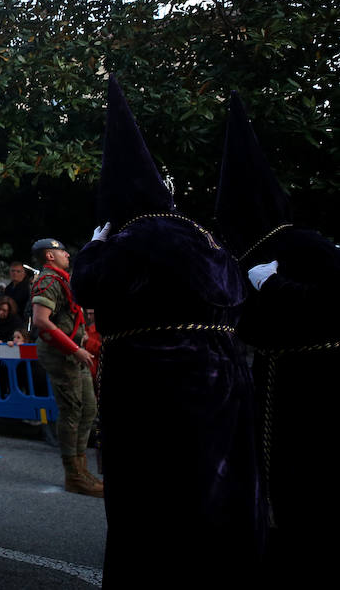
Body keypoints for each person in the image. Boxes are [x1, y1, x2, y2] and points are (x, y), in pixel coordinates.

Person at [73, 77, 262, 582]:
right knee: (217, 493)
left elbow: (87, 285)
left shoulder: (132, 237)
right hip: (223, 383)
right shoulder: (203, 235)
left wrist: (93, 246)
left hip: (154, 387)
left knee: (154, 502)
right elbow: (237, 294)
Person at [216, 90, 333, 580]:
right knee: (278, 481)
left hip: (319, 381)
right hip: (272, 379)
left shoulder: (306, 244)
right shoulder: (244, 256)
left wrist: (275, 286)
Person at [28, 236, 101, 497]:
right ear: (50, 256)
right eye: (62, 252)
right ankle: (74, 474)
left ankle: (81, 469)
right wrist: (74, 349)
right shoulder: (47, 281)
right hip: (62, 354)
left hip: (73, 352)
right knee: (72, 411)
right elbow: (41, 320)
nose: (67, 255)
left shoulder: (62, 279)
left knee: (88, 409)